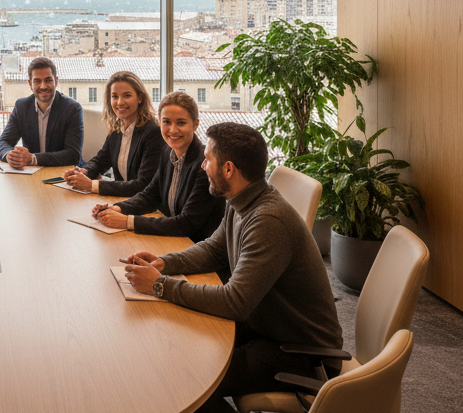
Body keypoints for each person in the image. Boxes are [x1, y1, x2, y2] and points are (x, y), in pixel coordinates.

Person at [121, 122, 343, 413]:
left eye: (208, 159)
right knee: (179, 349)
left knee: (189, 377)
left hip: (300, 353)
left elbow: (235, 302)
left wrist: (160, 285)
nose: (202, 166)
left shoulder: (267, 220)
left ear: (228, 169)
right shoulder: (241, 198)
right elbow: (214, 249)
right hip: (265, 327)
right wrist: (164, 263)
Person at [91, 91, 225, 242]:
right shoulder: (168, 151)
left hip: (195, 247)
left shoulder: (204, 165)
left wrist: (127, 221)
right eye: (166, 122)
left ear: (195, 124)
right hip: (173, 241)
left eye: (181, 123)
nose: (173, 130)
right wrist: (116, 208)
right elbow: (150, 195)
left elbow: (187, 223)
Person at [62, 71, 164, 196]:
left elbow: (143, 185)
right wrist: (83, 172)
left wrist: (91, 185)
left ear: (140, 98)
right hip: (123, 200)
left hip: (146, 206)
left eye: (127, 96)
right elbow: (100, 161)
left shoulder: (153, 132)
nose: (120, 102)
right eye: (115, 96)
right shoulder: (117, 129)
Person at [0, 56, 84, 168]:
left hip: (64, 174)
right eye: (37, 81)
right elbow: (3, 142)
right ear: (30, 84)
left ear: (56, 81)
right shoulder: (21, 106)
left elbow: (73, 155)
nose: (43, 86)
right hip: (32, 174)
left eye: (48, 80)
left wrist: (32, 158)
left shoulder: (72, 109)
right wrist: (9, 155)